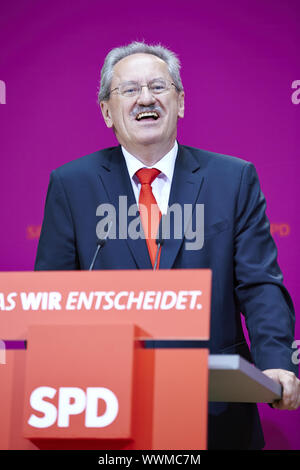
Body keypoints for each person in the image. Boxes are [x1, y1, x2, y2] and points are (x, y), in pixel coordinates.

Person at [35, 41, 300, 449]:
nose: (146, 98)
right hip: (107, 406)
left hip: (214, 406)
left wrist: (276, 363)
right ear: (107, 111)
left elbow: (259, 284)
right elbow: (53, 295)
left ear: (180, 103)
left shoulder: (233, 179)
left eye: (159, 87)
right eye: (130, 89)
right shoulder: (72, 185)